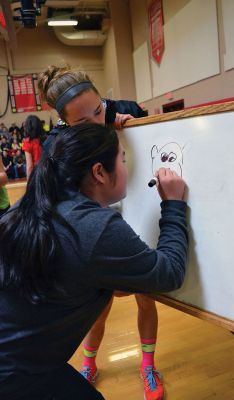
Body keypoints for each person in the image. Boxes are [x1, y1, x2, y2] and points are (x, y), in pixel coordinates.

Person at [0, 123, 188, 400]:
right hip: (17, 372)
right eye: (122, 160)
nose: (127, 169)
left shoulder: (33, 203)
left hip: (23, 359)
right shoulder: (95, 228)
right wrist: (173, 204)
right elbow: (171, 272)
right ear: (99, 172)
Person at [37, 65, 164, 399]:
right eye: (83, 121)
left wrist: (128, 120)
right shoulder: (56, 148)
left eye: (98, 111)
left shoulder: (108, 109)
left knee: (146, 297)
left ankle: (148, 364)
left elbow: (139, 114)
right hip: (96, 231)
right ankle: (89, 362)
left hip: (134, 212)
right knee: (99, 308)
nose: (96, 120)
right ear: (63, 121)